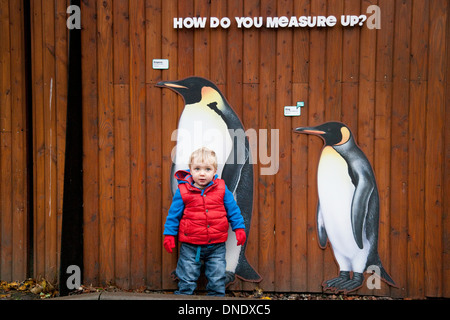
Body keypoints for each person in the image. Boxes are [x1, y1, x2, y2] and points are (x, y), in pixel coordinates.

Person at [163, 147, 246, 296]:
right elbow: (173, 215)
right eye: (197, 169)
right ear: (190, 170)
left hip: (216, 245)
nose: (202, 173)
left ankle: (216, 297)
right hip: (190, 245)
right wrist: (169, 234)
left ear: (215, 171)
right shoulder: (183, 191)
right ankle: (184, 298)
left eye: (207, 169)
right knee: (187, 275)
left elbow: (233, 210)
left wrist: (239, 228)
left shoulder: (221, 189)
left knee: (217, 276)